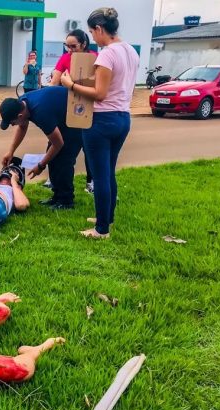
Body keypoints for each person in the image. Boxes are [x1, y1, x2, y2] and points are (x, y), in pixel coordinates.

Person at [60, 8, 139, 239]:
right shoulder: (130, 51)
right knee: (108, 171)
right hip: (123, 118)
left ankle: (101, 230)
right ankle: (106, 217)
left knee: (100, 175)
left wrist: (70, 85)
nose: (93, 37)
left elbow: (100, 94)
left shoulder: (107, 54)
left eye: (93, 32)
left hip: (102, 120)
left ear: (100, 29)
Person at [0, 87, 83, 210]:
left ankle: (66, 201)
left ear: (20, 115)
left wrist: (40, 166)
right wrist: (11, 151)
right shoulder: (22, 103)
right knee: (52, 158)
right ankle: (57, 197)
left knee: (63, 160)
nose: (12, 125)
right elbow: (22, 127)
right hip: (62, 117)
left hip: (76, 119)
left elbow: (58, 144)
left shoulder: (41, 113)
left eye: (12, 122)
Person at [50, 29, 98, 194]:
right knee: (65, 150)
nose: (69, 50)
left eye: (73, 46)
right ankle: (57, 183)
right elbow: (54, 83)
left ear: (83, 44)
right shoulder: (65, 58)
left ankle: (91, 181)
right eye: (67, 46)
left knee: (90, 149)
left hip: (90, 108)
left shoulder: (95, 58)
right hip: (69, 108)